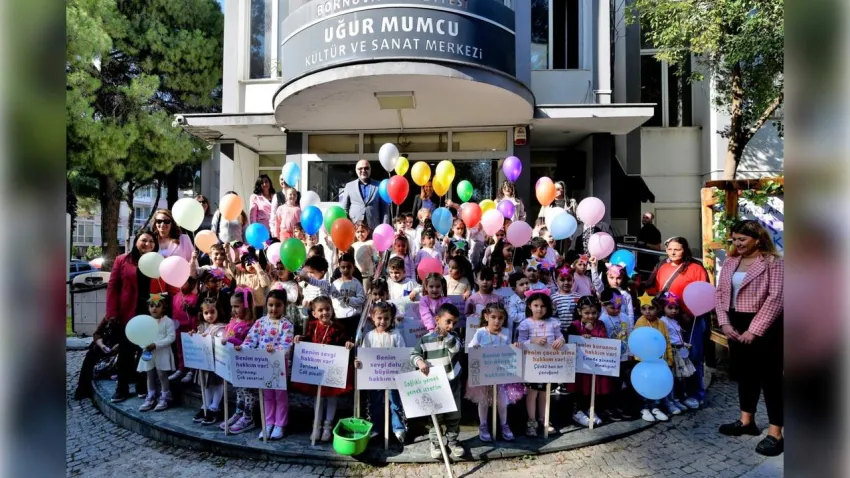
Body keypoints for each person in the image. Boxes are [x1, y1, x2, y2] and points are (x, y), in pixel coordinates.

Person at [715, 220, 784, 457]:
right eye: (734, 239)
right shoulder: (730, 261)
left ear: (757, 238)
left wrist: (754, 330)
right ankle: (747, 422)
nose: (738, 243)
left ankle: (776, 433)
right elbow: (720, 293)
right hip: (735, 323)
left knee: (771, 379)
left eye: (742, 239)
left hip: (765, 326)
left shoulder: (773, 262)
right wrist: (724, 323)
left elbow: (776, 297)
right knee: (745, 375)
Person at [644, 236, 710, 404]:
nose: (672, 252)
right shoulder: (662, 267)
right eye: (670, 249)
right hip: (668, 319)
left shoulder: (696, 268)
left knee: (693, 355)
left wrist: (689, 313)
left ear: (685, 250)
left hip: (691, 319)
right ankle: (676, 395)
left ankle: (696, 394)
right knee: (671, 357)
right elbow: (656, 290)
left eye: (677, 249)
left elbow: (703, 293)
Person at [292, 296, 355, 442]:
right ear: (314, 313)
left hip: (332, 369)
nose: (325, 312)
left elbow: (345, 341)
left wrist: (349, 344)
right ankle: (317, 425)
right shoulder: (312, 326)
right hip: (317, 369)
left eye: (327, 309)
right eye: (320, 310)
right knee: (318, 397)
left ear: (332, 309)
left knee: (332, 397)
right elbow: (308, 339)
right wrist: (300, 339)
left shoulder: (338, 327)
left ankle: (328, 426)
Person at [107, 229, 159, 403]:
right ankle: (122, 388)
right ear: (136, 241)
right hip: (128, 311)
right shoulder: (122, 260)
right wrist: (112, 312)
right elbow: (113, 287)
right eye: (144, 240)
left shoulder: (158, 261)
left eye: (151, 241)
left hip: (150, 312)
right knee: (125, 352)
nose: (148, 244)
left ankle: (141, 385)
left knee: (145, 351)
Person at [410, 303, 465, 459]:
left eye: (454, 323)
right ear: (437, 320)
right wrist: (420, 362)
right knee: (436, 415)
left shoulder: (454, 337)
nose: (451, 326)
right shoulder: (425, 339)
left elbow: (456, 348)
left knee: (454, 414)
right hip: (435, 384)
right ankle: (436, 443)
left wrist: (446, 336)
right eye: (448, 321)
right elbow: (414, 354)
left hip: (452, 382)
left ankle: (453, 441)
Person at [238, 290, 294, 440]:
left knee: (280, 396)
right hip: (262, 364)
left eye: (278, 305)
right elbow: (251, 339)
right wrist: (242, 349)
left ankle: (280, 424)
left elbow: (287, 345)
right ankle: (268, 422)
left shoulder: (286, 325)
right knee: (267, 395)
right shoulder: (260, 322)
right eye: (270, 305)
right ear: (266, 305)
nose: (273, 308)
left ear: (284, 305)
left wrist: (275, 350)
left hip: (279, 365)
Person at [466, 304, 525, 442]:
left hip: (501, 373)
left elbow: (508, 350)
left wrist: (514, 346)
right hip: (484, 373)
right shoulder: (480, 332)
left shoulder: (505, 332)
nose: (497, 321)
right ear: (486, 317)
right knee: (483, 400)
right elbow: (470, 347)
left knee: (502, 401)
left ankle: (504, 424)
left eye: (500, 318)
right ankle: (483, 425)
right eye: (493, 317)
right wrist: (475, 347)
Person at [354, 301, 408, 444]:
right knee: (375, 403)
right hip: (375, 378)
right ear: (373, 317)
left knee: (394, 402)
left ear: (391, 319)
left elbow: (403, 354)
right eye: (379, 318)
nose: (382, 321)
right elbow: (364, 355)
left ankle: (398, 428)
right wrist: (359, 362)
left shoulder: (396, 335)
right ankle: (377, 428)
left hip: (393, 378)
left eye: (386, 318)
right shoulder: (369, 336)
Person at [518, 290, 565, 436]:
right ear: (530, 306)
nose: (539, 309)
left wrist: (561, 340)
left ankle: (544, 419)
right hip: (532, 364)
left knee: (545, 393)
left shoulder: (553, 323)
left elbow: (560, 337)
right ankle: (531, 421)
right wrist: (533, 341)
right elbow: (520, 343)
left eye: (543, 306)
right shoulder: (525, 324)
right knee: (532, 393)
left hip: (549, 364)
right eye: (536, 305)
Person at [566, 296, 614, 427]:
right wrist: (584, 334)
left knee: (591, 389)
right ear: (579, 312)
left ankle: (589, 409)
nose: (591, 316)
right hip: (580, 367)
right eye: (587, 313)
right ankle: (577, 412)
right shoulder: (575, 325)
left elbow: (604, 339)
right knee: (579, 388)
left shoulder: (600, 324)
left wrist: (592, 331)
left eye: (594, 313)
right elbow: (571, 342)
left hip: (594, 365)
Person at [634, 294, 675, 422]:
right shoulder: (640, 322)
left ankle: (655, 407)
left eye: (651, 308)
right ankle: (644, 408)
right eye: (644, 308)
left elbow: (667, 341)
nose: (647, 311)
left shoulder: (661, 323)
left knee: (656, 383)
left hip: (659, 361)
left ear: (657, 309)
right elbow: (637, 341)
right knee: (645, 383)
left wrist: (669, 358)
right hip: (644, 361)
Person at [188, 298, 228, 424]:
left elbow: (221, 342)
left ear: (218, 311)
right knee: (205, 384)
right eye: (206, 313)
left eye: (212, 312)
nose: (209, 315)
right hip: (205, 362)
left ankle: (215, 406)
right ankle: (206, 405)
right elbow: (198, 340)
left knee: (217, 384)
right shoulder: (202, 326)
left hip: (216, 362)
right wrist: (193, 335)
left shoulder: (221, 328)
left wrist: (210, 338)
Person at [136, 293, 176, 412]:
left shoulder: (167, 321)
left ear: (163, 307)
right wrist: (144, 345)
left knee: (162, 374)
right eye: (152, 306)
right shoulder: (145, 322)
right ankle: (151, 396)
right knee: (149, 374)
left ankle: (164, 396)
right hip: (148, 351)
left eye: (158, 306)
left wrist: (156, 345)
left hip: (162, 352)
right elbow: (139, 335)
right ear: (148, 308)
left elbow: (171, 337)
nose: (154, 308)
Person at [74, 316, 121, 400]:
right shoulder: (107, 318)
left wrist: (118, 346)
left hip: (119, 349)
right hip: (104, 346)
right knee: (90, 355)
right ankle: (83, 389)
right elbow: (97, 333)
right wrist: (101, 345)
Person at [342, 160, 389, 229]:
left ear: (370, 170)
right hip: (355, 227)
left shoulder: (379, 186)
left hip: (374, 227)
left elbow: (385, 210)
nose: (363, 170)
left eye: (366, 168)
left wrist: (385, 227)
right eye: (360, 168)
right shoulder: (349, 186)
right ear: (356, 170)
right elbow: (345, 209)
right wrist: (346, 226)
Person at [168, 277, 199, 382]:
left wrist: (194, 327)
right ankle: (181, 368)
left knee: (190, 349)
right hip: (178, 327)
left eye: (185, 283)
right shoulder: (175, 297)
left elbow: (194, 315)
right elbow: (174, 312)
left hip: (189, 328)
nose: (182, 285)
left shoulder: (194, 297)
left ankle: (191, 370)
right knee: (179, 349)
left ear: (190, 284)